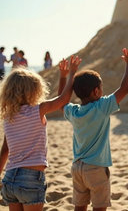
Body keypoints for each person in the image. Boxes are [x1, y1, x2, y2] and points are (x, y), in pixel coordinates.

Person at [0, 56, 81, 210]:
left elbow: (5, 150)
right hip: (30, 178)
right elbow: (63, 99)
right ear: (34, 91)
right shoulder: (39, 110)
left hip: (9, 178)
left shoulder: (8, 118)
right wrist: (70, 74)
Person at [61, 48, 128, 211]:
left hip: (77, 168)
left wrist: (66, 75)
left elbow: (61, 99)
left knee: (79, 207)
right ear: (95, 91)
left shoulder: (73, 111)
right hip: (96, 169)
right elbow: (125, 88)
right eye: (101, 88)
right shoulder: (102, 107)